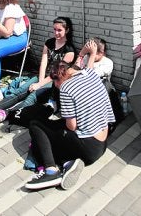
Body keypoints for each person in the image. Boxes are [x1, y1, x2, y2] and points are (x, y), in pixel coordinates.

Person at [24, 60, 115, 190]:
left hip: (87, 147)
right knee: (55, 127)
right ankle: (68, 163)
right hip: (102, 143)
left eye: (55, 81)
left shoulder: (66, 88)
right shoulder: (90, 73)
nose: (55, 85)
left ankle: (51, 171)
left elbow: (71, 126)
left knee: (35, 125)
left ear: (59, 77)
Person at [0, 16, 75, 125]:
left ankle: (5, 114)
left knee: (31, 97)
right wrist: (39, 81)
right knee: (20, 91)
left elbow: (57, 74)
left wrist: (40, 85)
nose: (56, 33)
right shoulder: (49, 43)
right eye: (54, 29)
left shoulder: (69, 51)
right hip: (42, 77)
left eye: (59, 30)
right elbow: (43, 63)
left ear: (66, 30)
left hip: (53, 82)